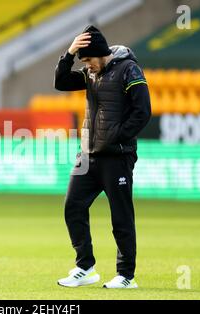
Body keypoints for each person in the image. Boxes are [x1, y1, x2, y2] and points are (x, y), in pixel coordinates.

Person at [54, 25, 151, 289]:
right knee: (72, 206)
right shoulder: (89, 72)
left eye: (87, 59)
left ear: (100, 53)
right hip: (87, 155)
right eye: (83, 61)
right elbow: (60, 82)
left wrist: (117, 136)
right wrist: (70, 52)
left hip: (117, 156)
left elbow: (143, 111)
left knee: (120, 216)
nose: (86, 65)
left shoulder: (129, 69)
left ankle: (126, 275)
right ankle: (85, 267)